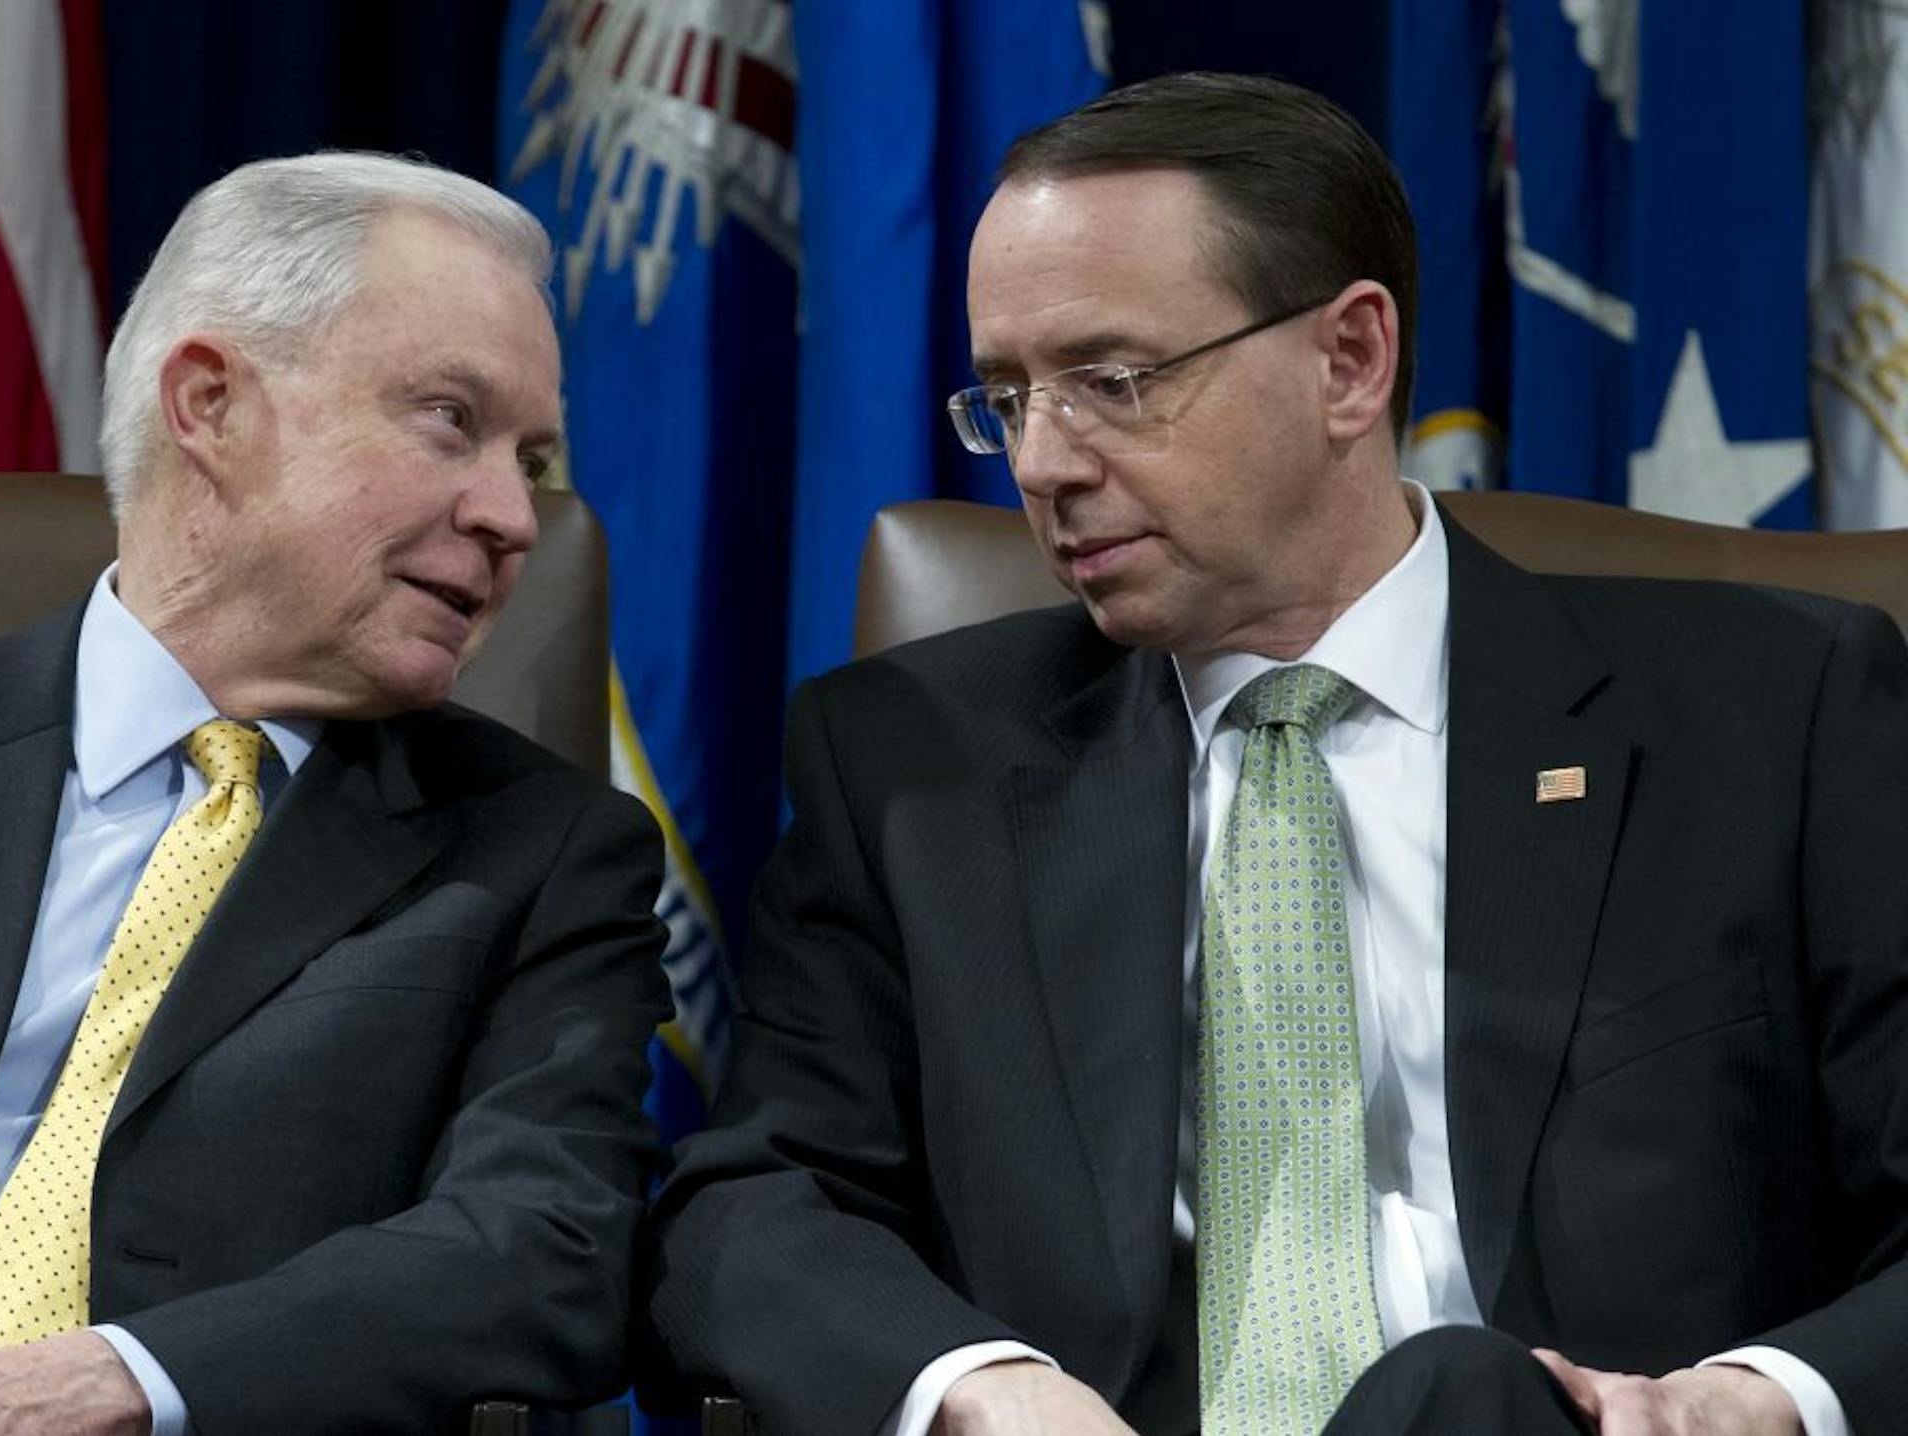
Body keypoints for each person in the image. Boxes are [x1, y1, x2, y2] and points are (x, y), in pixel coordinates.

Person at [644, 73, 1908, 1436]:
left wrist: (1762, 1398)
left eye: (1111, 382)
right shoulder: (909, 766)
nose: (1043, 463)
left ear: (1350, 362)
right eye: (1006, 398)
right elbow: (749, 1205)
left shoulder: (1775, 715)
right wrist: (979, 1389)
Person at [0, 153, 672, 1435]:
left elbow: (546, 1246)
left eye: (535, 455)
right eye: (452, 419)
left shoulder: (541, 853)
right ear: (211, 403)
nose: (515, 512)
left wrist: (101, 1381)